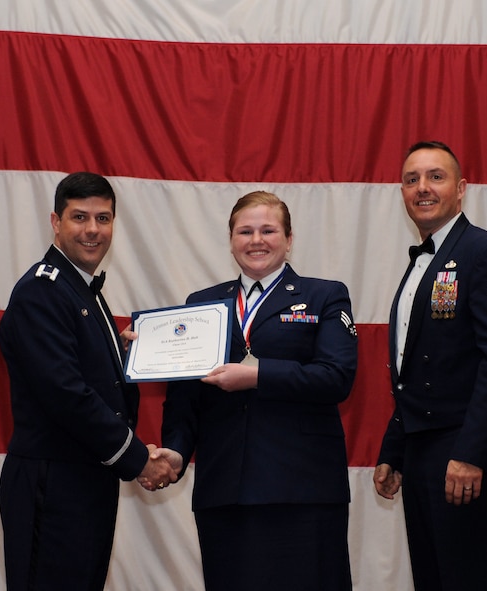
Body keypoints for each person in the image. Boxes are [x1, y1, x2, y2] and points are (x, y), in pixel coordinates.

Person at [155, 191, 358, 590]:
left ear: (289, 237)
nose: (256, 240)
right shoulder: (201, 305)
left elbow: (336, 377)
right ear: (231, 239)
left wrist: (258, 375)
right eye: (245, 231)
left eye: (268, 230)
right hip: (224, 490)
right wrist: (175, 452)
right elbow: (184, 400)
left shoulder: (325, 295)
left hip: (303, 490)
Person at [0, 172, 181, 591]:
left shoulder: (79, 289)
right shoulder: (42, 291)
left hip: (83, 479)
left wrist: (122, 356)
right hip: (54, 482)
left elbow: (84, 375)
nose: (93, 230)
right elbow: (66, 394)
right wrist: (138, 459)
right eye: (79, 217)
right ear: (55, 222)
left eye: (103, 218)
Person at [373, 141, 487, 590]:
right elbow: (418, 370)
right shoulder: (423, 262)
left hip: (467, 453)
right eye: (411, 179)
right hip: (423, 451)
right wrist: (395, 449)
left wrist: (470, 454)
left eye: (435, 177)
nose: (422, 188)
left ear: (461, 189)